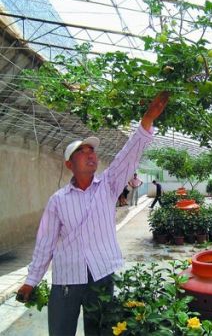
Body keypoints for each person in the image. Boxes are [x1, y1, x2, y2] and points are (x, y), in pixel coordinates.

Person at [16, 91, 170, 336]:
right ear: (69, 165)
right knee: (60, 330)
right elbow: (45, 242)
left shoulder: (108, 185)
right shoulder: (58, 200)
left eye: (92, 151)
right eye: (82, 152)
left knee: (100, 332)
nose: (91, 155)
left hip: (101, 273)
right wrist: (31, 280)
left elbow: (126, 157)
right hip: (67, 275)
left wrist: (146, 122)